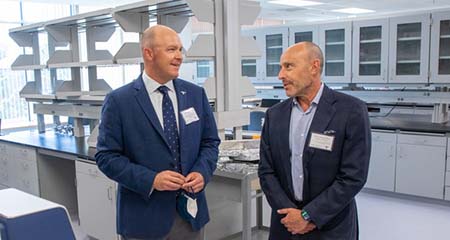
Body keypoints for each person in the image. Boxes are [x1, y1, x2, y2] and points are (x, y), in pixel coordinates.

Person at [96, 25, 220, 240]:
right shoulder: (119, 101)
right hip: (144, 217)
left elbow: (210, 142)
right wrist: (152, 179)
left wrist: (202, 172)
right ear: (149, 53)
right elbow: (106, 157)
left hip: (189, 215)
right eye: (172, 50)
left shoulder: (195, 94)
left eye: (181, 50)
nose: (179, 57)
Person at [258, 42, 371, 240]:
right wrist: (291, 216)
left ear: (314, 67)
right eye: (281, 67)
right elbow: (267, 171)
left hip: (330, 225)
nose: (280, 75)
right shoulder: (275, 115)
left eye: (289, 66)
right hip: (285, 224)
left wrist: (308, 216)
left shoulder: (351, 111)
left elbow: (353, 177)